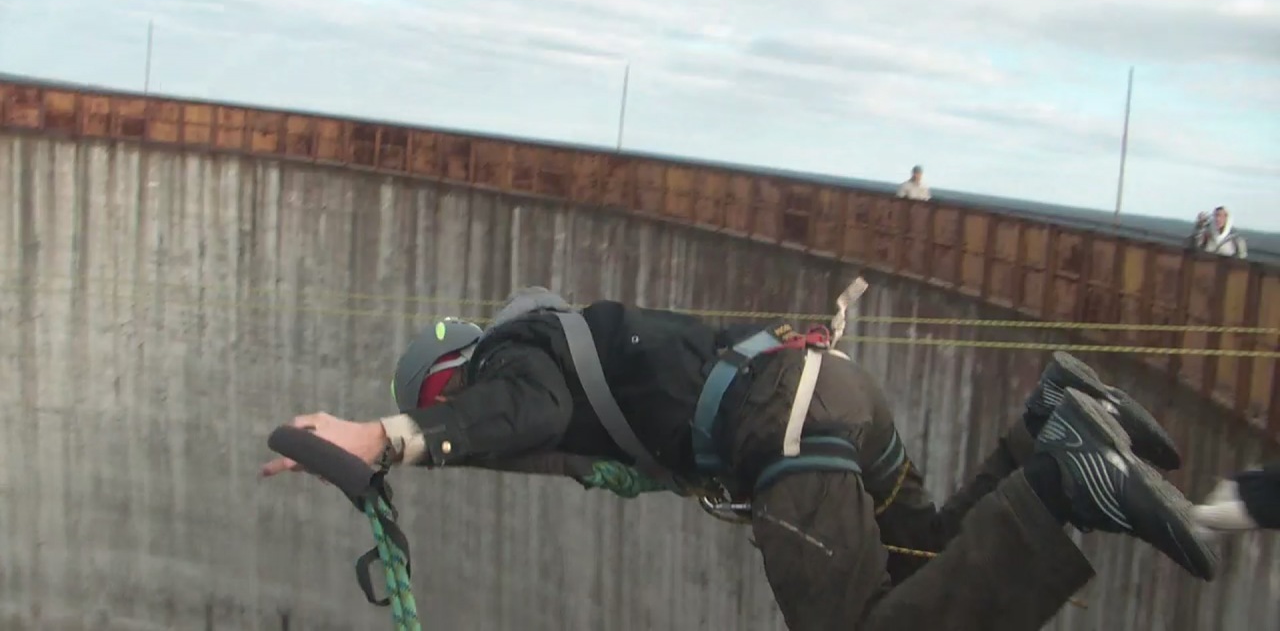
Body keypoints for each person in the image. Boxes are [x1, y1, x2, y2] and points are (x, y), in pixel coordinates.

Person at [261, 286, 1217, 631]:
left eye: (443, 399)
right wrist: (403, 457)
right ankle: (1047, 426)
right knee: (923, 566)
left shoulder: (519, 356)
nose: (456, 413)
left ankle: (1057, 489)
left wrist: (384, 435)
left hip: (778, 428)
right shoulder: (577, 347)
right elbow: (527, 436)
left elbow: (519, 411)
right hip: (829, 396)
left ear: (452, 374)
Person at [1193, 462, 1280, 535]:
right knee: (1198, 517)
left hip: (1249, 501)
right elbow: (1271, 471)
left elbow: (1270, 470)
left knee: (1202, 527)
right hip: (1248, 501)